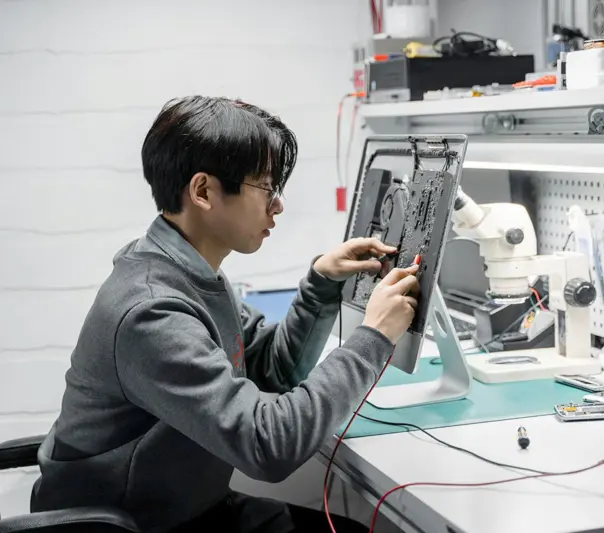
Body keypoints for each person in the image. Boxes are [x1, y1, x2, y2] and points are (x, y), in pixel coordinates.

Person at [30, 96, 420, 533]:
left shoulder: (189, 272)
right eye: (267, 188)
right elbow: (269, 445)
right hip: (135, 525)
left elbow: (272, 371)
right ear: (202, 192)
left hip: (182, 505)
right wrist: (373, 337)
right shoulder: (151, 311)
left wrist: (321, 284)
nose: (278, 205)